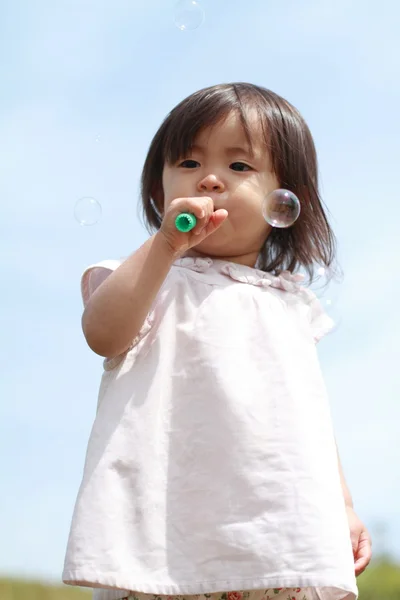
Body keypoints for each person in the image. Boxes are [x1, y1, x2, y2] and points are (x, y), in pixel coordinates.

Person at [63, 83, 371, 600]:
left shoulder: (290, 307)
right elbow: (103, 334)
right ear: (159, 192)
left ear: (284, 198)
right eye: (187, 161)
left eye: (239, 167)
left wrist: (341, 503)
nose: (209, 179)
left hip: (275, 538)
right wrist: (164, 246)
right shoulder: (148, 279)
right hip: (168, 540)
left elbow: (310, 414)